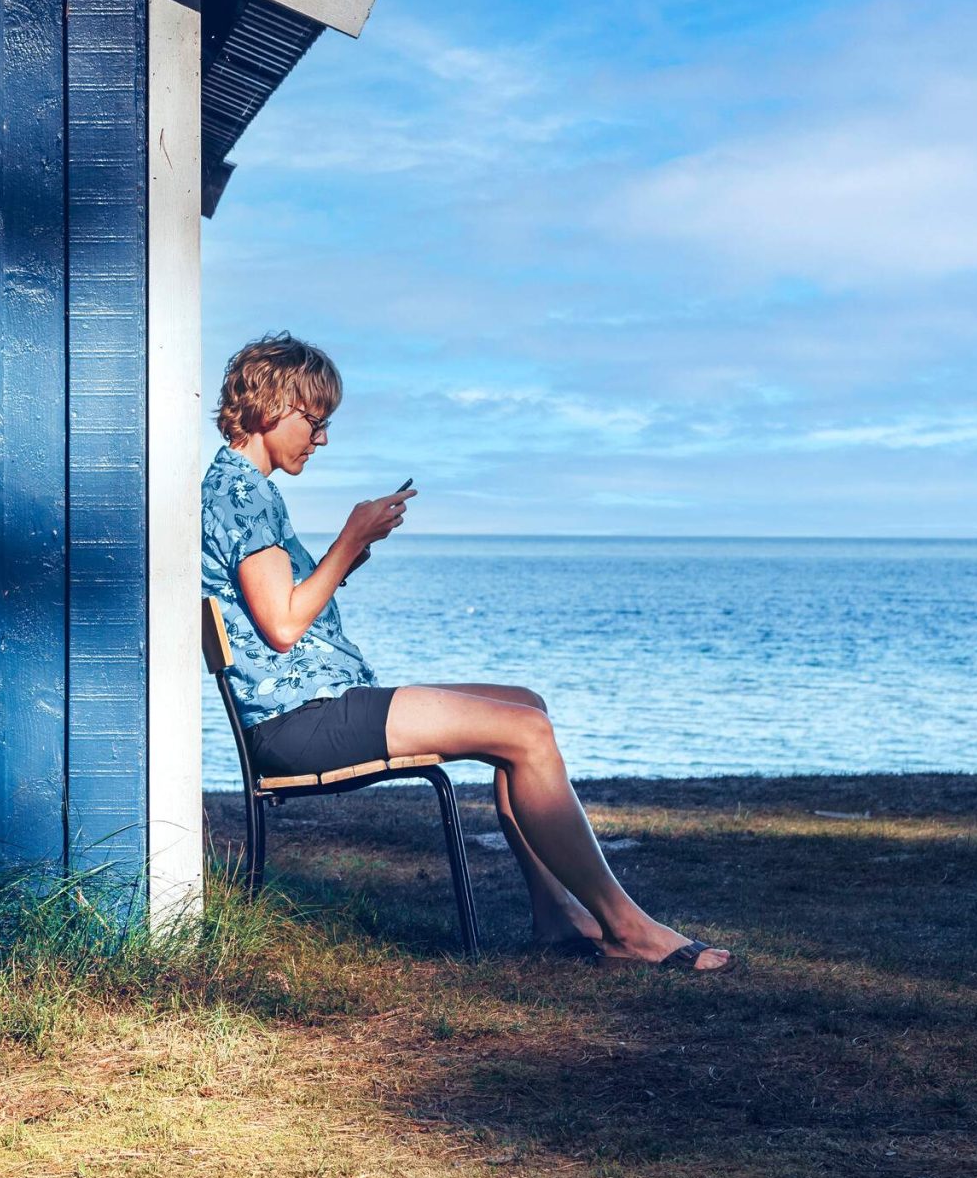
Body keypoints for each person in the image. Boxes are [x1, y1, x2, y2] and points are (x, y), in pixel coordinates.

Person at [202, 332, 735, 971]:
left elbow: (280, 609)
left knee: (524, 706)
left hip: (320, 703)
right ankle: (627, 929)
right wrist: (349, 538)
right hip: (302, 720)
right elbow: (283, 627)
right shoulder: (239, 492)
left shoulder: (243, 488)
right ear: (269, 408)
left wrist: (345, 563)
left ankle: (557, 916)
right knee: (526, 731)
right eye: (314, 422)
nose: (321, 440)